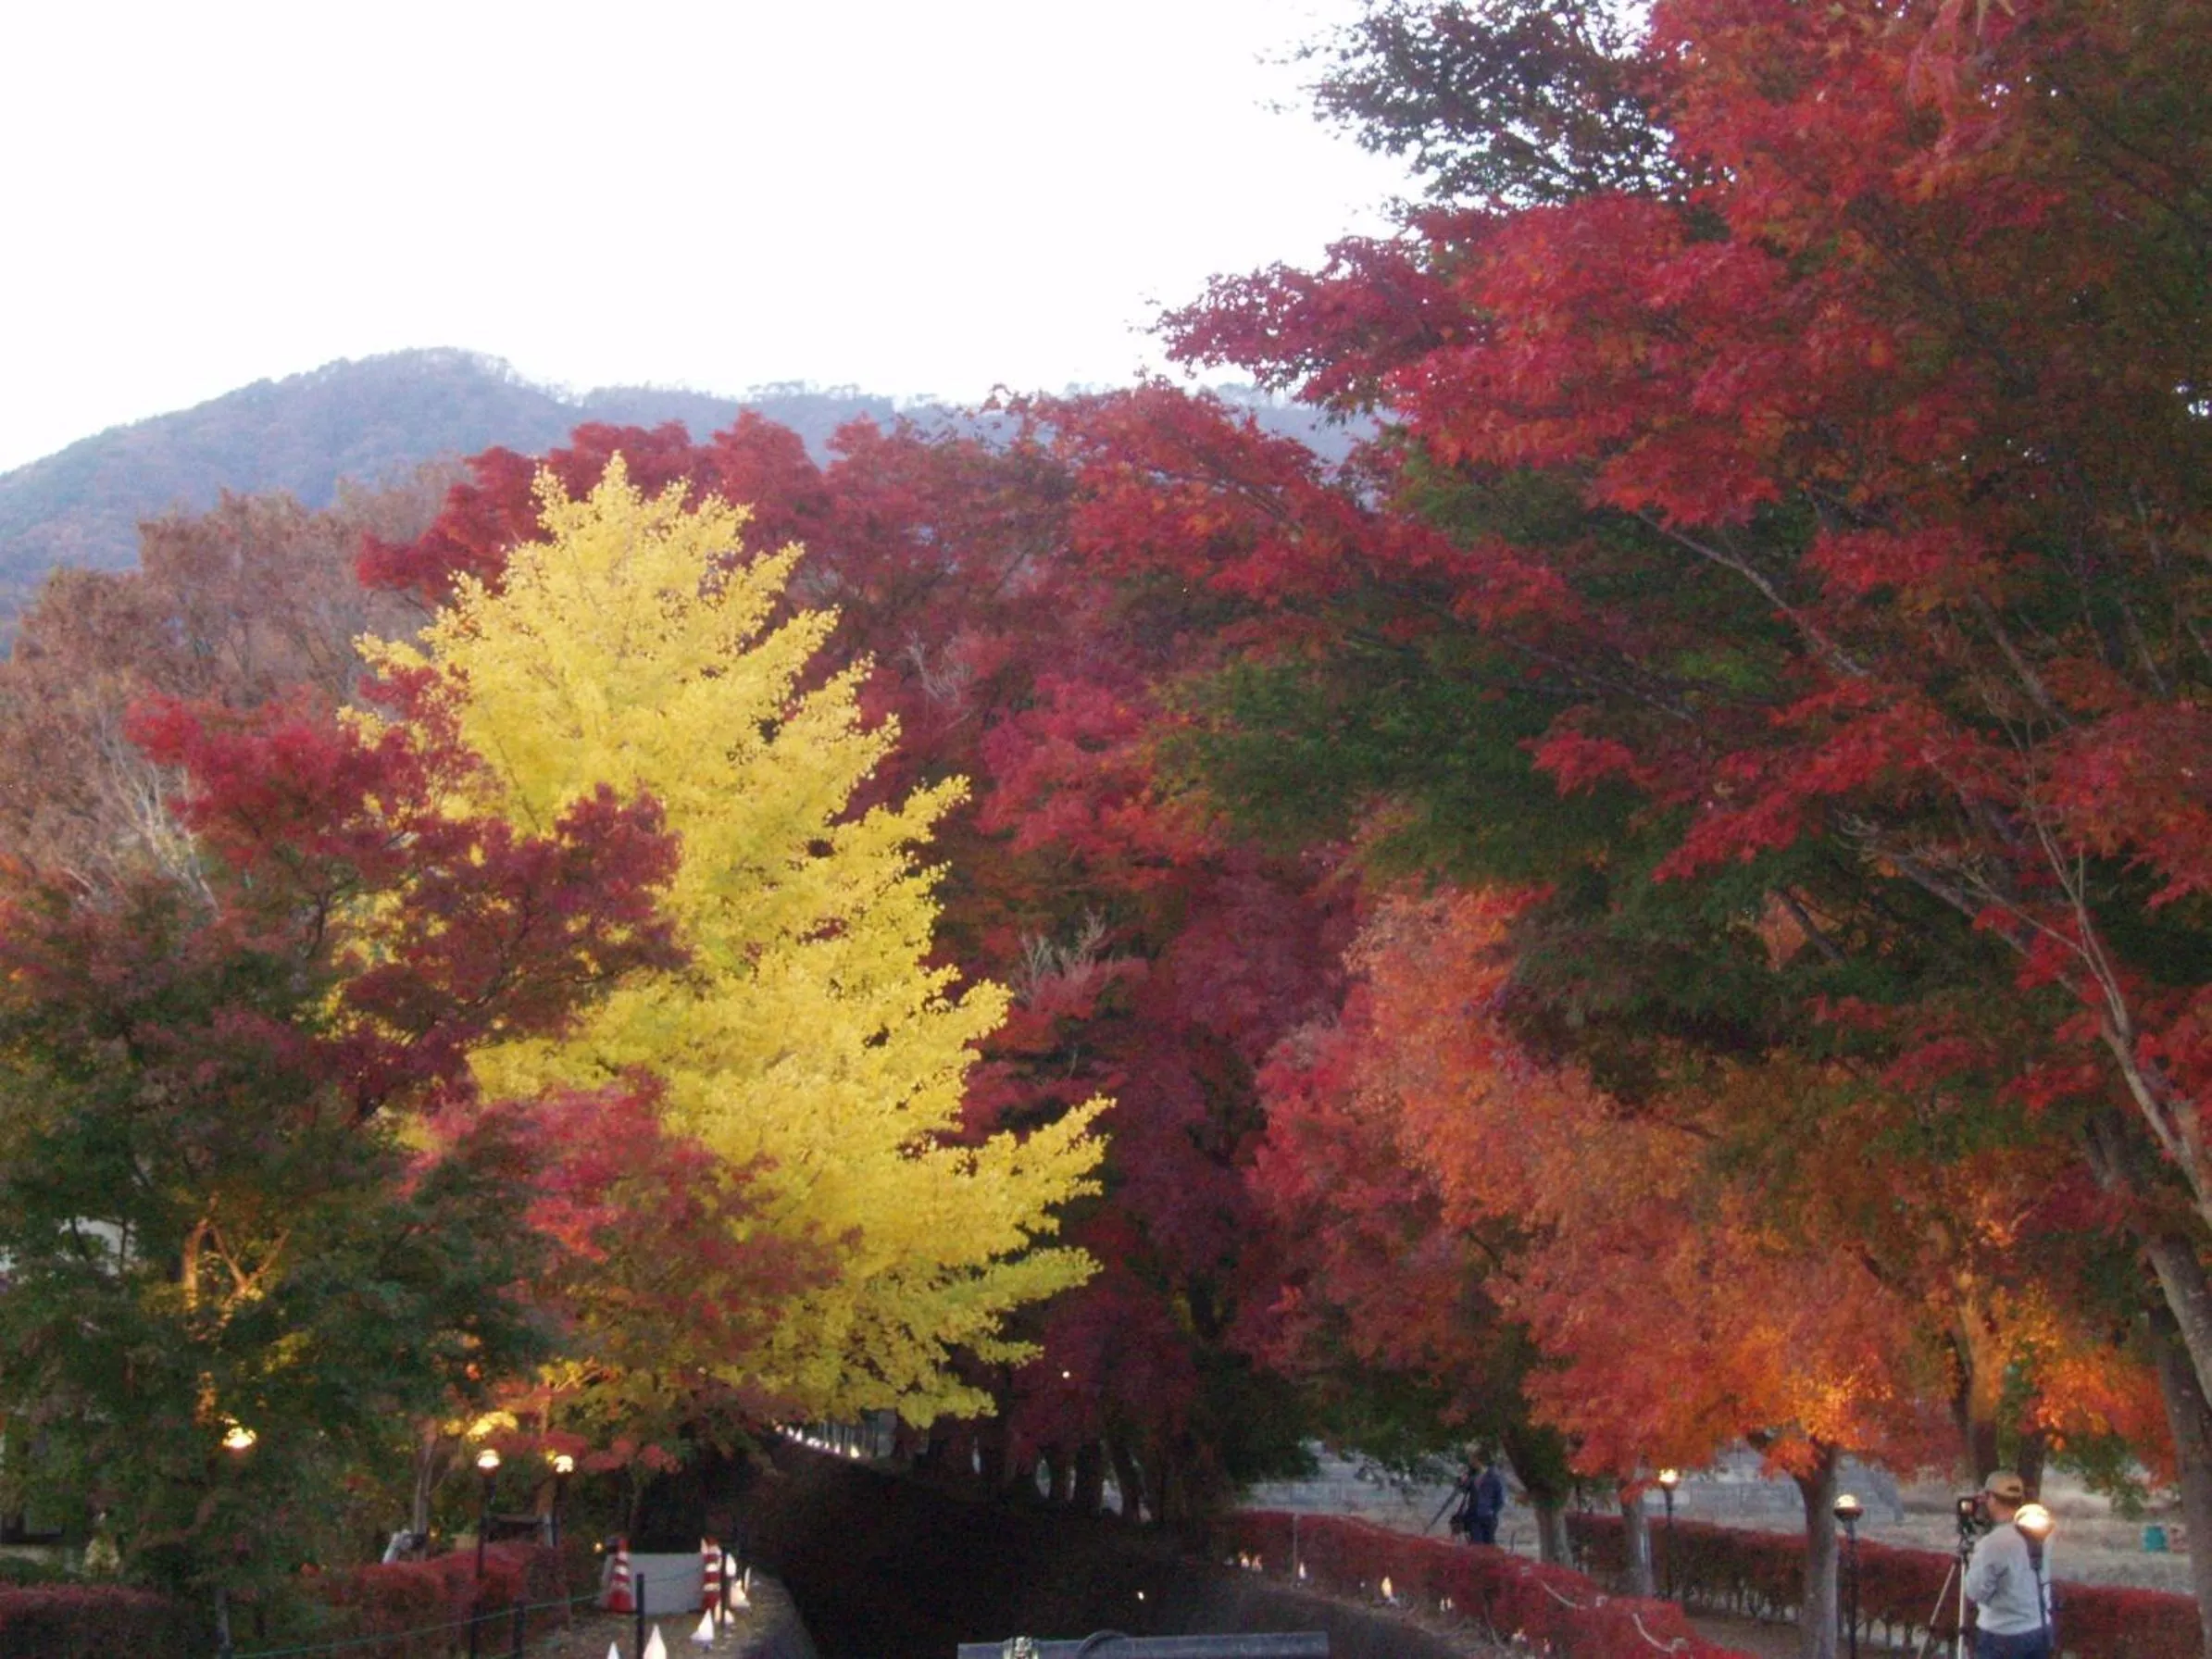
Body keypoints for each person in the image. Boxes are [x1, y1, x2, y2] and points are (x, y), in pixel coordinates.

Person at [1963, 1470, 2053, 1659]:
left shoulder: (1993, 1543)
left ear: (1991, 1498)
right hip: (2040, 1627)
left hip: (2002, 1634)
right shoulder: (2043, 1533)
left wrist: (1973, 1557)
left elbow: (1974, 1592)